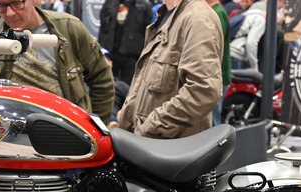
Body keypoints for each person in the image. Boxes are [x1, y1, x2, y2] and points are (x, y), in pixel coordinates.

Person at [0, 0, 114, 121]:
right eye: (1, 5)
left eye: (17, 3)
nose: (9, 12)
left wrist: (94, 126)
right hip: (5, 138)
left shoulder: (69, 29)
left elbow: (102, 81)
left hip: (66, 133)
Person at [118, 0, 223, 138]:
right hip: (148, 145)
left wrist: (150, 127)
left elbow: (203, 90)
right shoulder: (169, 16)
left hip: (167, 148)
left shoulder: (198, 19)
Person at [97, 0, 154, 85]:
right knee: (106, 85)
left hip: (132, 55)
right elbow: (103, 27)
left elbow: (148, 32)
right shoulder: (109, 3)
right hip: (111, 52)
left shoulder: (144, 5)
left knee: (129, 88)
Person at [207, 0, 232, 126]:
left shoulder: (217, 12)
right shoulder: (214, 11)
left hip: (217, 76)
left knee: (213, 122)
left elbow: (213, 47)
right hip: (215, 75)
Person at [229, 0, 266, 70]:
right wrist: (254, 65)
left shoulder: (246, 14)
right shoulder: (260, 20)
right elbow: (251, 43)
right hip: (238, 55)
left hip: (230, 50)